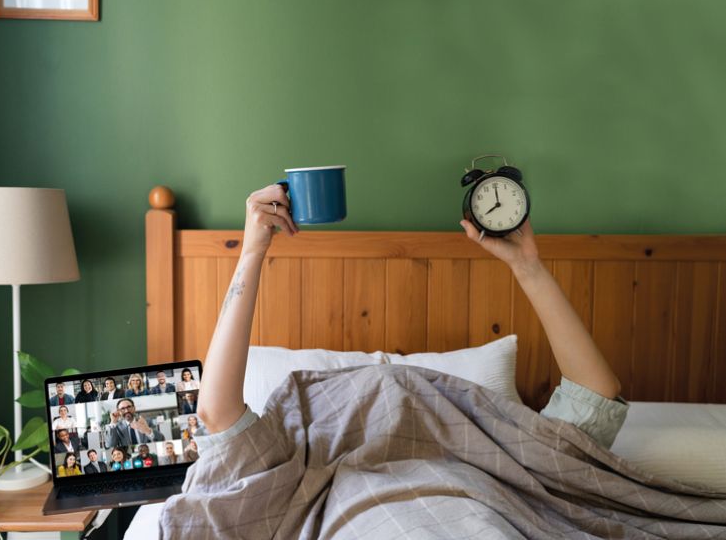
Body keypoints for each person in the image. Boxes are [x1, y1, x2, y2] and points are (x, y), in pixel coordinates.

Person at [198, 184, 625, 445]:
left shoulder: (497, 445)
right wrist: (252, 250)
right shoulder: (312, 455)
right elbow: (216, 417)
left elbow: (595, 397)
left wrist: (528, 266)